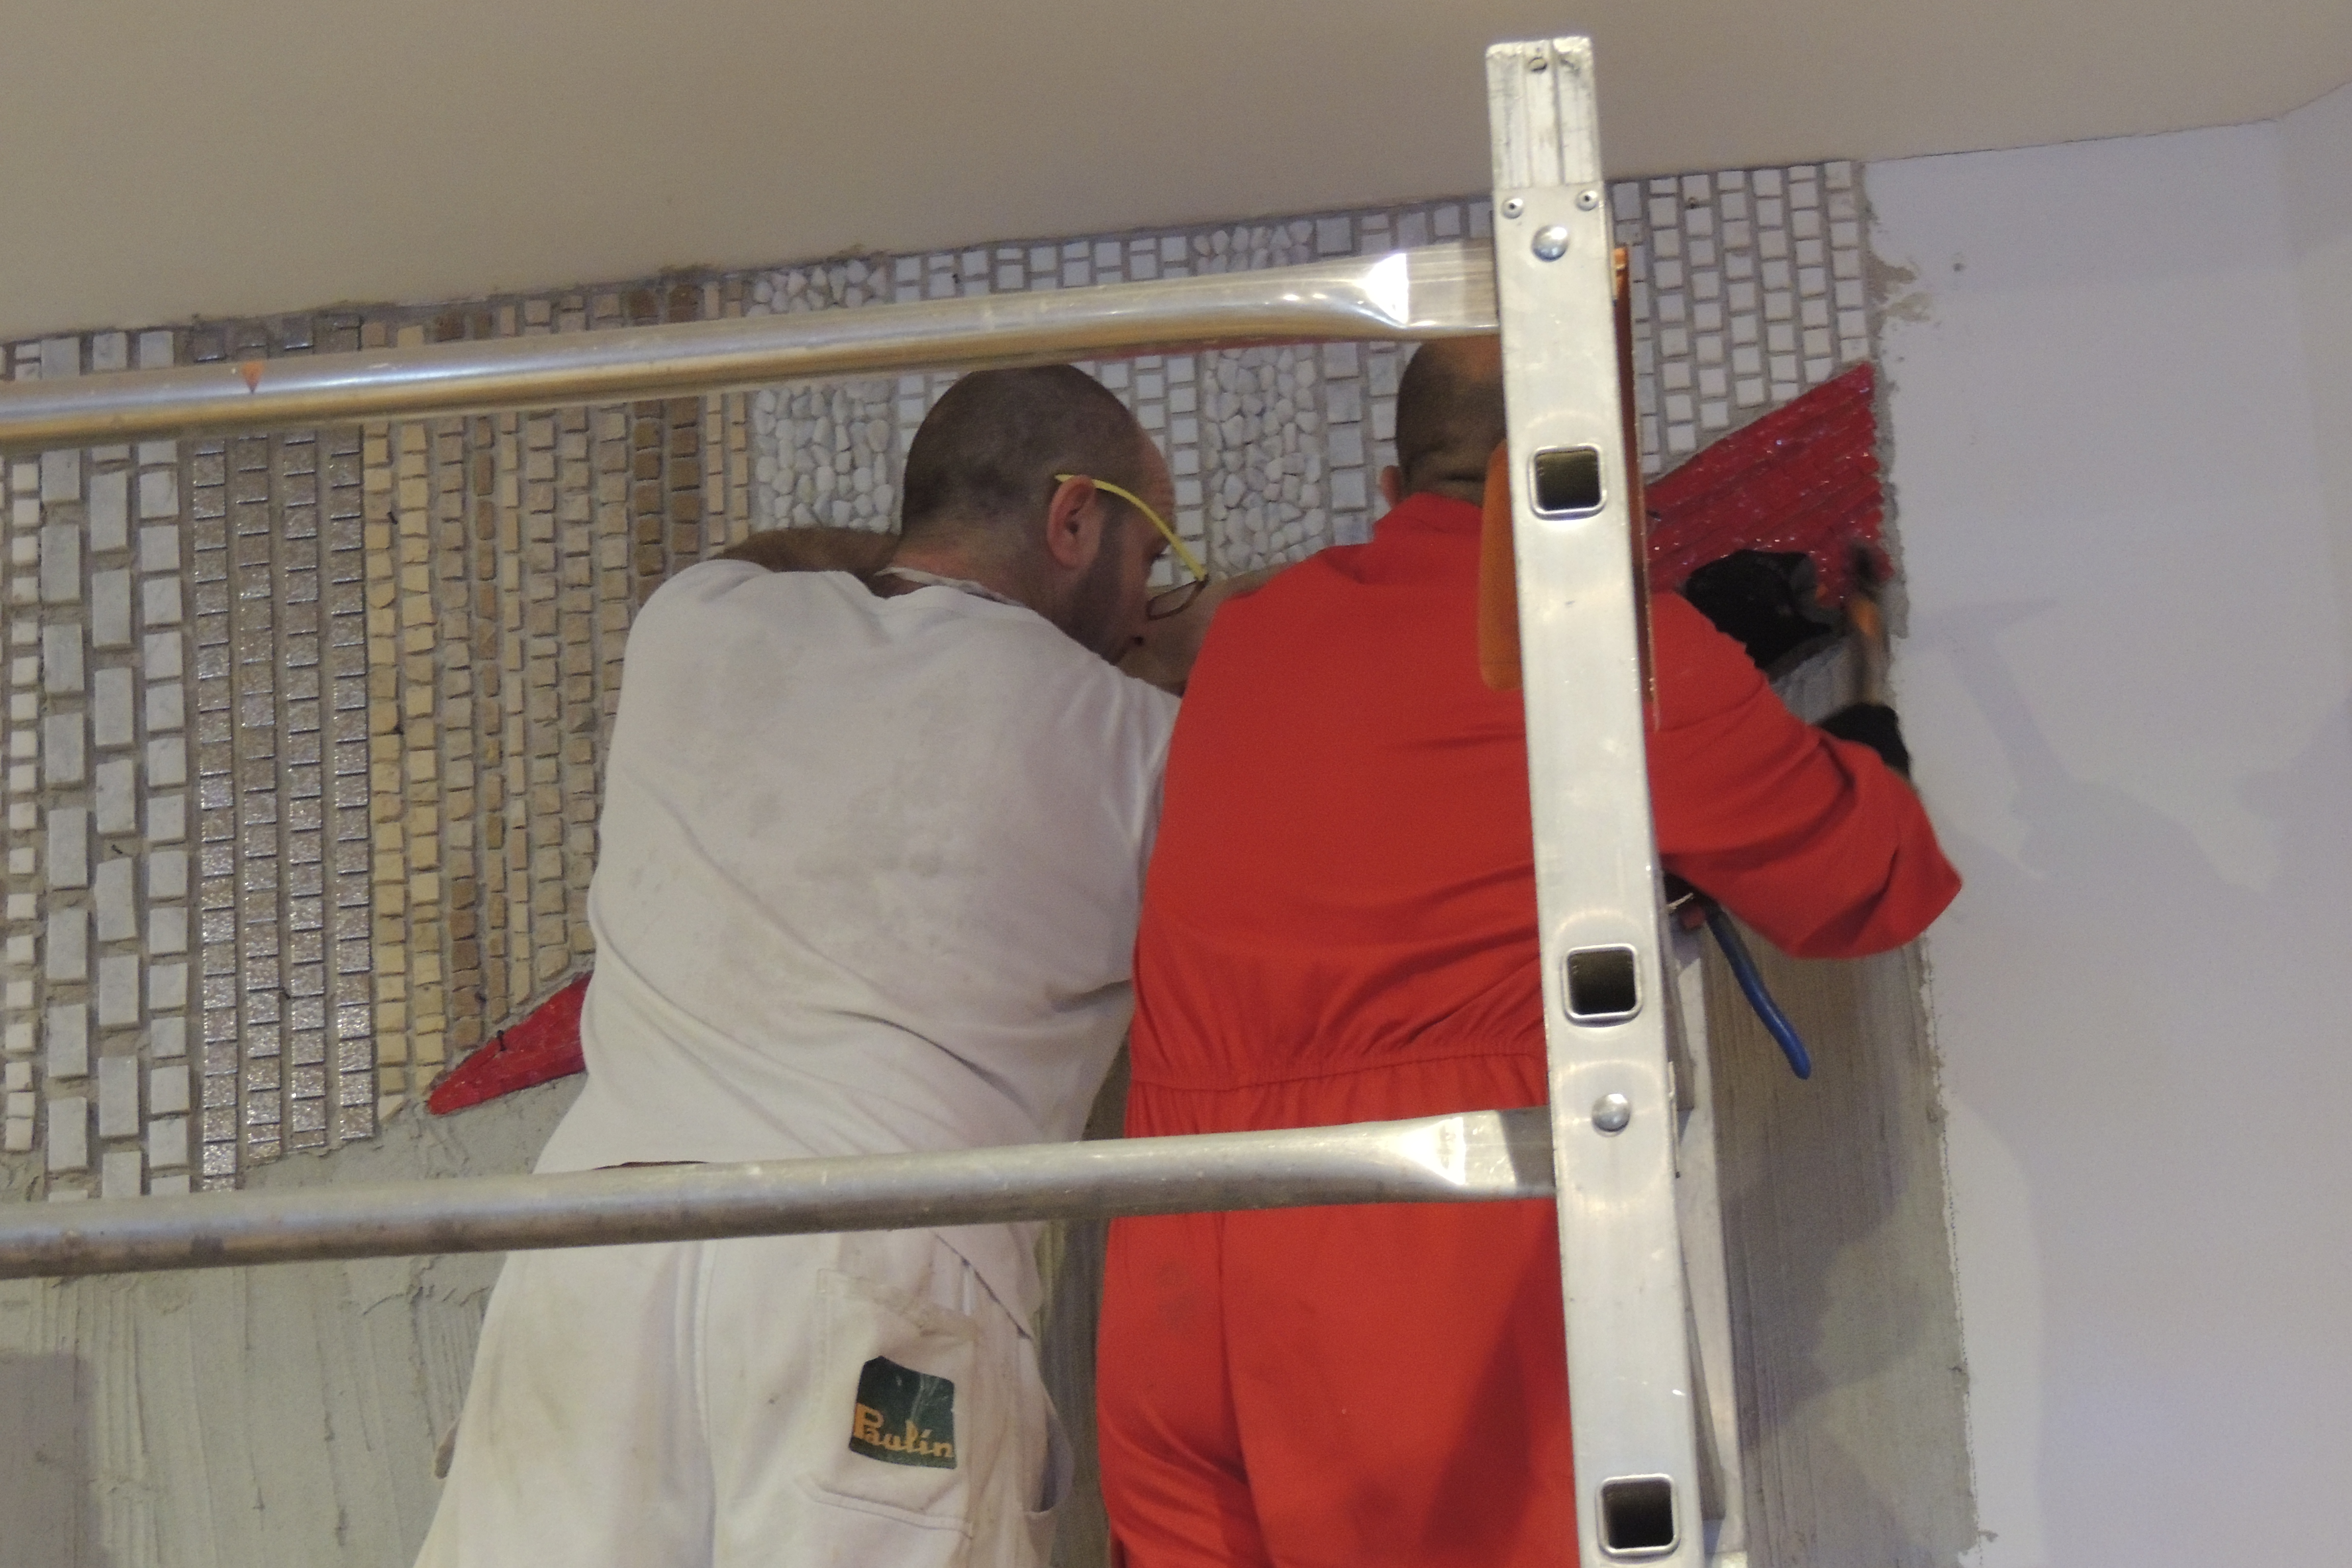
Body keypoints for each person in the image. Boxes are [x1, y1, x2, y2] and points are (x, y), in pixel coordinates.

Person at [1094, 336, 1962, 1567]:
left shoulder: (1249, 640)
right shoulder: (1599, 646)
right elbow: (1867, 884)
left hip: (1178, 1245)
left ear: (1393, 488)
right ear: (1591, 478)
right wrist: (1866, 734)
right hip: (1419, 1251)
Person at [420, 365, 1225, 1568]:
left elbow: (773, 555)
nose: (1150, 608)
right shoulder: (1140, 747)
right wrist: (1196, 642)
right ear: (1073, 518)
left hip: (595, 1253)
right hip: (875, 1269)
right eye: (1153, 554)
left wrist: (929, 557)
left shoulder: (696, 622)